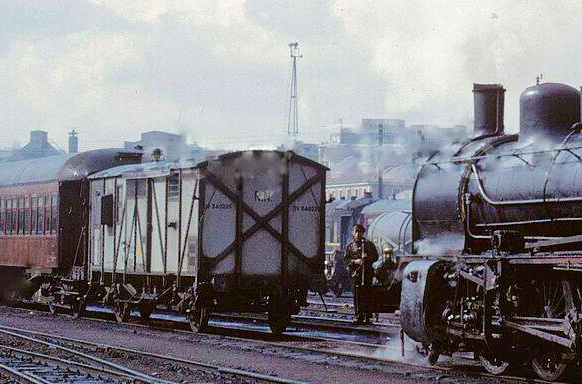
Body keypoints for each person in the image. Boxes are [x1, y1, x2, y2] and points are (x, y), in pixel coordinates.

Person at [344, 223, 379, 325]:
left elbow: (376, 256)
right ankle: (358, 315)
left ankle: (368, 316)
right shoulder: (350, 246)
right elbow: (346, 259)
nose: (358, 234)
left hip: (367, 273)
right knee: (357, 295)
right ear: (353, 233)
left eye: (360, 232)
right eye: (356, 232)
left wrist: (367, 257)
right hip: (356, 274)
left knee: (368, 294)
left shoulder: (369, 245)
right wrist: (355, 261)